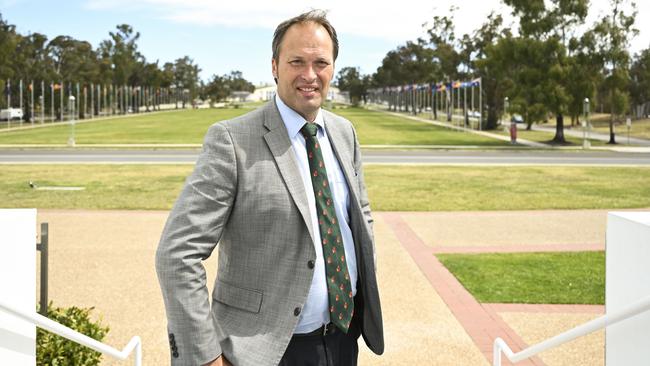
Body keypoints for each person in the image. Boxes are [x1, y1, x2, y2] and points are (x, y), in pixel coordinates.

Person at [156, 9, 384, 366]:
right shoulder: (232, 140)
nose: (310, 75)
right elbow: (177, 255)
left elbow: (359, 217)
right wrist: (205, 357)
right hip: (264, 351)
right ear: (275, 66)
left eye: (321, 62)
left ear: (333, 67)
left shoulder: (345, 133)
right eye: (297, 61)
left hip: (343, 340)